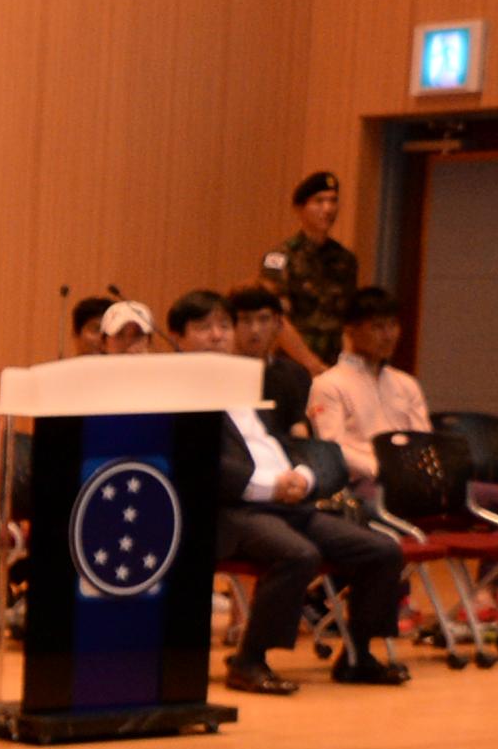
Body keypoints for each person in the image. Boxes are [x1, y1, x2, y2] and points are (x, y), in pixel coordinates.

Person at [172, 291, 409, 692]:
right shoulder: (174, 392)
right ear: (178, 338)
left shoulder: (246, 381)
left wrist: (303, 475)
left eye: (223, 326)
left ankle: (356, 656)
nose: (217, 336)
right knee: (299, 554)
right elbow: (196, 464)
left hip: (288, 502)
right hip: (229, 513)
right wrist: (268, 486)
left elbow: (281, 442)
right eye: (203, 328)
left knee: (383, 550)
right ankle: (249, 661)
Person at [307, 286, 430, 499]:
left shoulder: (406, 383)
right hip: (362, 484)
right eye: (378, 327)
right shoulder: (328, 384)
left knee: (494, 496)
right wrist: (381, 469)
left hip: (412, 478)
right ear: (351, 330)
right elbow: (333, 448)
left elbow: (423, 439)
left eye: (393, 325)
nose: (388, 335)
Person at [261, 169, 360, 376]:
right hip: (293, 364)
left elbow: (347, 319)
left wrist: (347, 366)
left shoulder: (345, 259)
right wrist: (312, 365)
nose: (328, 209)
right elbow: (278, 321)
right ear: (299, 209)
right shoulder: (279, 258)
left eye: (333, 201)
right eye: (319, 201)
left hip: (335, 365)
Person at [226, 285, 317, 435]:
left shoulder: (295, 374)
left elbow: (300, 430)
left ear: (278, 324)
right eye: (245, 320)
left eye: (263, 319)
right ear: (231, 324)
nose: (255, 329)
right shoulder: (219, 374)